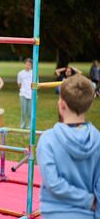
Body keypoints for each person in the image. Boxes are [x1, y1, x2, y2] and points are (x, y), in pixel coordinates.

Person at [37, 74, 99, 219]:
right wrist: (91, 203)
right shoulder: (98, 140)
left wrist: (87, 200)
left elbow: (53, 183)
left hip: (54, 213)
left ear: (61, 104)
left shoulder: (48, 139)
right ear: (89, 105)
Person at [17, 58, 33, 129]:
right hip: (23, 94)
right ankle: (22, 126)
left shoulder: (34, 73)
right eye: (26, 65)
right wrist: (23, 89)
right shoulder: (20, 73)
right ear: (24, 65)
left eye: (29, 65)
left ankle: (29, 126)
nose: (27, 66)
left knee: (30, 112)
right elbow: (19, 84)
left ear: (31, 65)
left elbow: (36, 84)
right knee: (23, 112)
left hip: (31, 95)